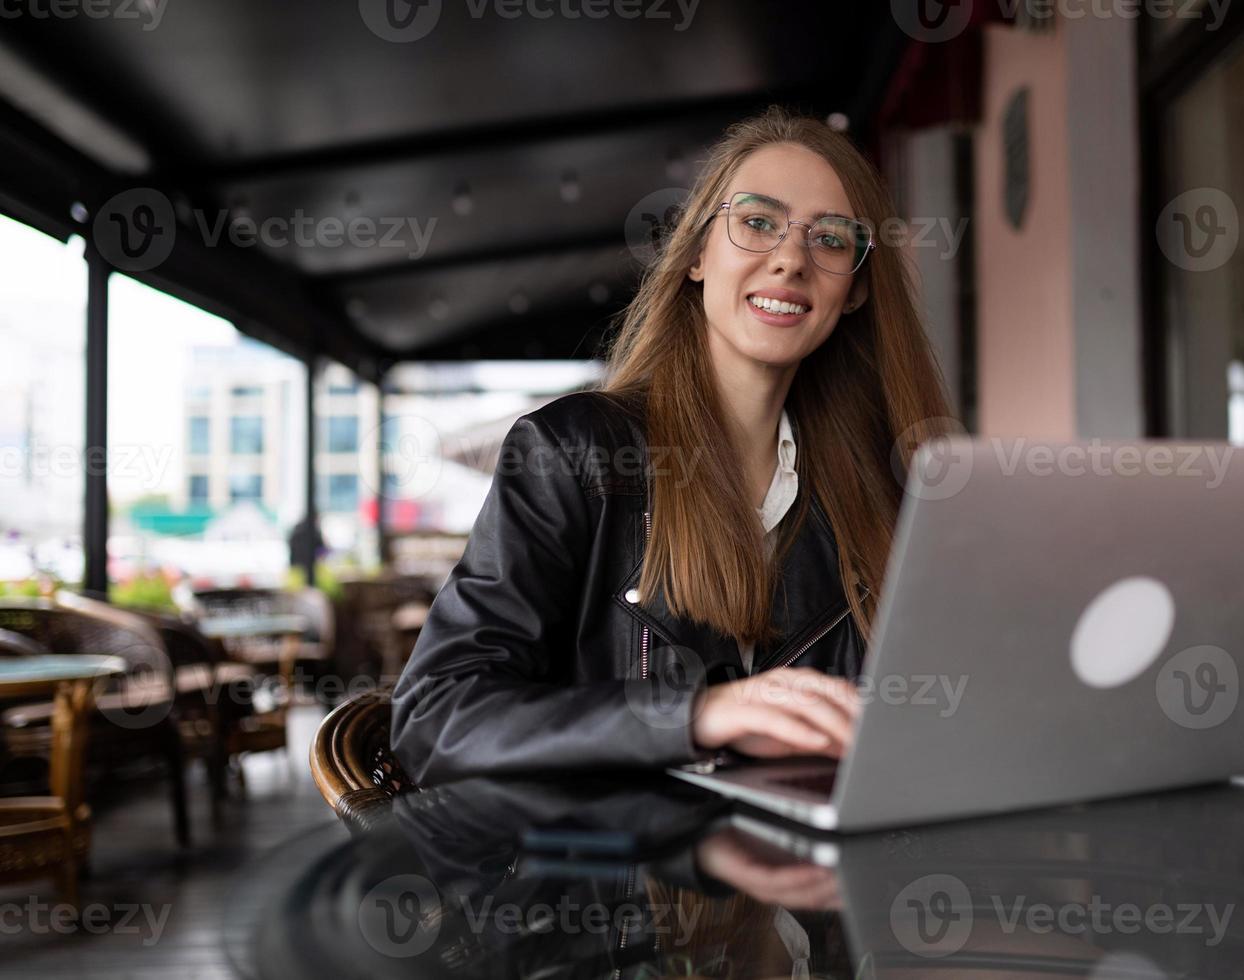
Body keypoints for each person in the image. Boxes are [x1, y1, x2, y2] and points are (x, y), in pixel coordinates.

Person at [391, 106, 953, 786]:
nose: (790, 259)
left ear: (856, 289)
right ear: (694, 255)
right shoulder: (574, 453)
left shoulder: (875, 490)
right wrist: (697, 715)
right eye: (756, 222)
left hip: (815, 875)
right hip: (614, 882)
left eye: (831, 240)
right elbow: (434, 717)